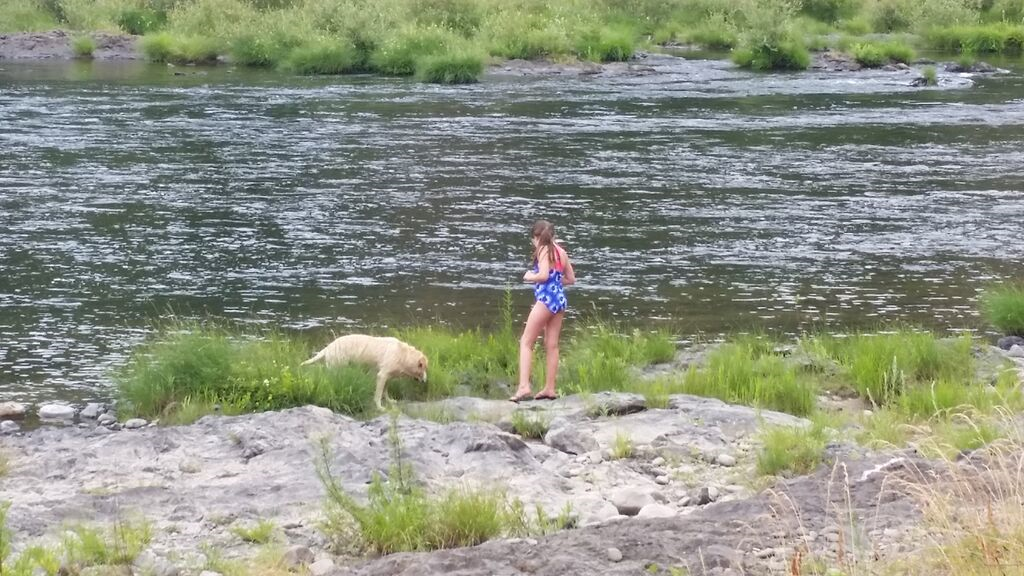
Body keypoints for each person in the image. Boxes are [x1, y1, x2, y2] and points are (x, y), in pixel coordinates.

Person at [510, 219, 576, 402]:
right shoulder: (561, 252)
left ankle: (524, 387)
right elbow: (571, 279)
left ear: (536, 237)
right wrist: (555, 282)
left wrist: (529, 276)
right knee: (552, 344)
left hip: (546, 300)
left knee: (526, 341)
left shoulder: (543, 249)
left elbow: (543, 275)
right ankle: (550, 388)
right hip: (560, 300)